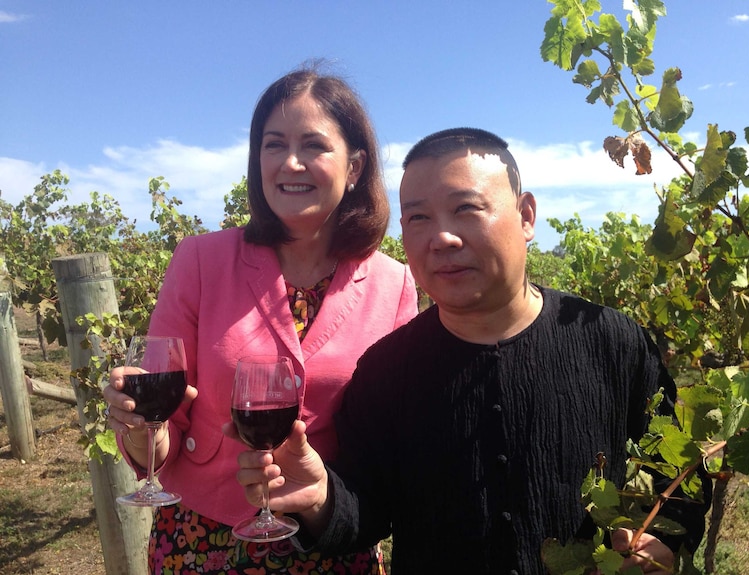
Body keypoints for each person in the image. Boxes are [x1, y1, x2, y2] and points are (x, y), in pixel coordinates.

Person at [233, 127, 711, 574]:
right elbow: (368, 511)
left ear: (526, 216)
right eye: (418, 217)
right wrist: (321, 499)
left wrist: (666, 543)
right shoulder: (384, 372)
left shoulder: (612, 341)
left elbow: (682, 472)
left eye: (466, 208)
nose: (441, 237)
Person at [102, 66, 418, 574]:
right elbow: (160, 430)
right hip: (203, 541)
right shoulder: (200, 261)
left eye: (313, 145)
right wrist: (139, 423)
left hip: (329, 543)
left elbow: (389, 437)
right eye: (274, 145)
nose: (291, 162)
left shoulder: (393, 283)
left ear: (355, 166)